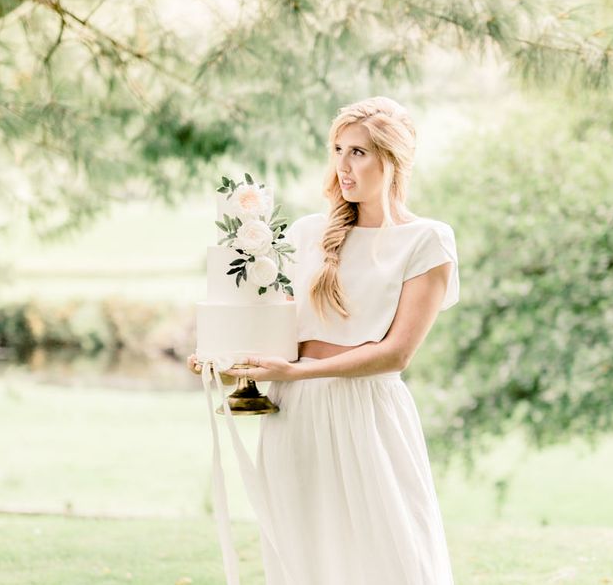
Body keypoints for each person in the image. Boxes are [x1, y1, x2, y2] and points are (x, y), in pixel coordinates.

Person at [187, 96, 459, 584]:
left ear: (392, 160)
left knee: (391, 556)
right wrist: (225, 361)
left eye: (358, 152)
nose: (343, 165)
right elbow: (282, 339)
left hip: (368, 414)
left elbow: (396, 353)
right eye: (338, 149)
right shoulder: (308, 233)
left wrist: (298, 372)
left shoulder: (427, 241)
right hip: (295, 413)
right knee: (306, 558)